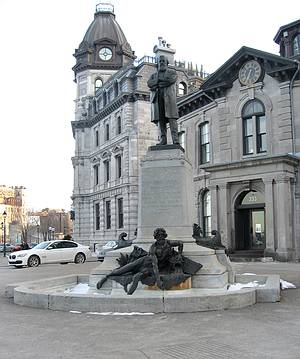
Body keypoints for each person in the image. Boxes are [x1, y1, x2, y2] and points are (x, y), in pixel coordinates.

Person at [96, 228, 202, 295]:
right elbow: (155, 265)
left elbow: (180, 243)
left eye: (162, 236)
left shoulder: (169, 243)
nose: (160, 238)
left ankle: (138, 277)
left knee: (146, 273)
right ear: (155, 238)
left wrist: (179, 254)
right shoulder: (153, 248)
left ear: (164, 237)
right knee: (124, 269)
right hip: (146, 262)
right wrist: (158, 281)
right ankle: (105, 278)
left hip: (155, 266)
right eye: (158, 237)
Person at [147, 55, 179, 145]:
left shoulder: (172, 72)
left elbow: (170, 80)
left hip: (169, 99)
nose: (161, 63)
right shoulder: (153, 75)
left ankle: (175, 140)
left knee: (172, 119)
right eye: (160, 61)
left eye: (163, 61)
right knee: (161, 120)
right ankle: (163, 139)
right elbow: (149, 83)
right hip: (158, 99)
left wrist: (157, 83)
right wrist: (160, 82)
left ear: (167, 63)